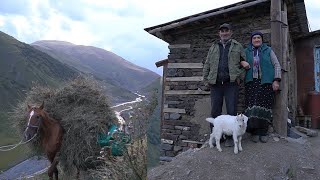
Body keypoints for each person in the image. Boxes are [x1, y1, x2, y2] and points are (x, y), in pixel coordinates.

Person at [203, 23, 250, 147]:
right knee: (215, 111)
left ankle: (230, 137)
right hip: (216, 83)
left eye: (226, 31)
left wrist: (239, 77)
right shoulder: (213, 47)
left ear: (231, 32)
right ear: (219, 33)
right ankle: (216, 136)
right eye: (222, 31)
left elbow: (244, 64)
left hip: (231, 84)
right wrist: (206, 79)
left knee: (231, 110)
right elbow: (207, 64)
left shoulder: (238, 46)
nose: (224, 33)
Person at [244, 31, 281, 143]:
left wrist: (276, 80)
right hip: (251, 83)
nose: (256, 40)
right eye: (254, 38)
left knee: (265, 107)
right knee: (252, 107)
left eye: (258, 38)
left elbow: (276, 65)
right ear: (251, 40)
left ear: (262, 39)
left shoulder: (268, 50)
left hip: (265, 83)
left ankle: (263, 131)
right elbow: (239, 62)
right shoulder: (246, 51)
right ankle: (254, 132)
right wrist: (242, 62)